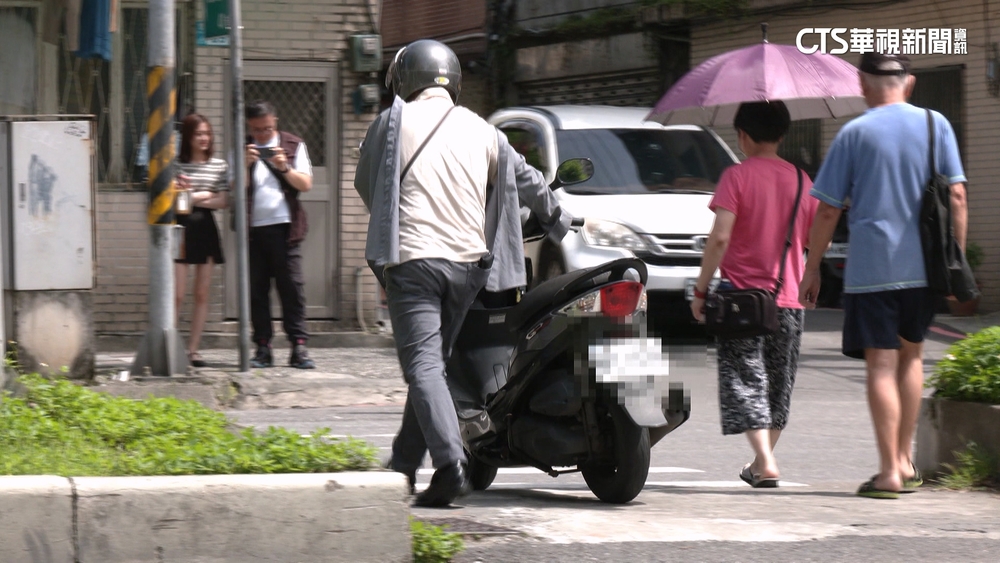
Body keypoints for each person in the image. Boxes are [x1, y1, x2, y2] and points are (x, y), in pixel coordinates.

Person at [354, 39, 571, 507]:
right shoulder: (483, 130)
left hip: (413, 263)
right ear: (452, 79)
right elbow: (528, 178)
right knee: (432, 364)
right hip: (468, 268)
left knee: (424, 366)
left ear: (404, 80)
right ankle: (403, 465)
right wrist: (560, 222)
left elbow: (364, 181)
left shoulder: (391, 122)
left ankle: (451, 464)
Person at [799, 52, 968, 499]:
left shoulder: (854, 133)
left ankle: (888, 471)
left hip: (874, 268)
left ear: (862, 84)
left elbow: (829, 208)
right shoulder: (937, 124)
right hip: (926, 268)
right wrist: (956, 263)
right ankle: (906, 460)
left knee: (881, 363)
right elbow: (957, 197)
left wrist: (811, 267)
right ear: (908, 84)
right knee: (912, 358)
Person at [690, 101, 818, 489]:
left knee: (744, 379)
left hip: (740, 299)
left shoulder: (736, 176)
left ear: (742, 136)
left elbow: (720, 237)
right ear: (782, 134)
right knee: (779, 383)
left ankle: (764, 459)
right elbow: (813, 239)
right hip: (788, 297)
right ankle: (761, 463)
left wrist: (700, 289)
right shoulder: (802, 180)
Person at [243, 100, 316, 369]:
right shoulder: (243, 148)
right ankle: (263, 348)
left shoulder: (293, 145)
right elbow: (235, 190)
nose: (261, 135)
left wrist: (285, 168)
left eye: (266, 129)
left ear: (275, 121)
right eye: (256, 130)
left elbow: (306, 184)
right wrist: (244, 166)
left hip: (287, 230)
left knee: (292, 290)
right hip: (254, 231)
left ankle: (299, 347)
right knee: (257, 291)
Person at [174, 113, 229, 367]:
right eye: (198, 134)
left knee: (202, 293)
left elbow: (224, 201)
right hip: (180, 228)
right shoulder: (175, 165)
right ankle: (171, 346)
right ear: (188, 137)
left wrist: (192, 194)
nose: (204, 138)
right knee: (177, 293)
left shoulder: (219, 166)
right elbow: (176, 204)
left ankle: (193, 350)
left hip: (206, 228)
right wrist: (205, 194)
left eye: (207, 133)